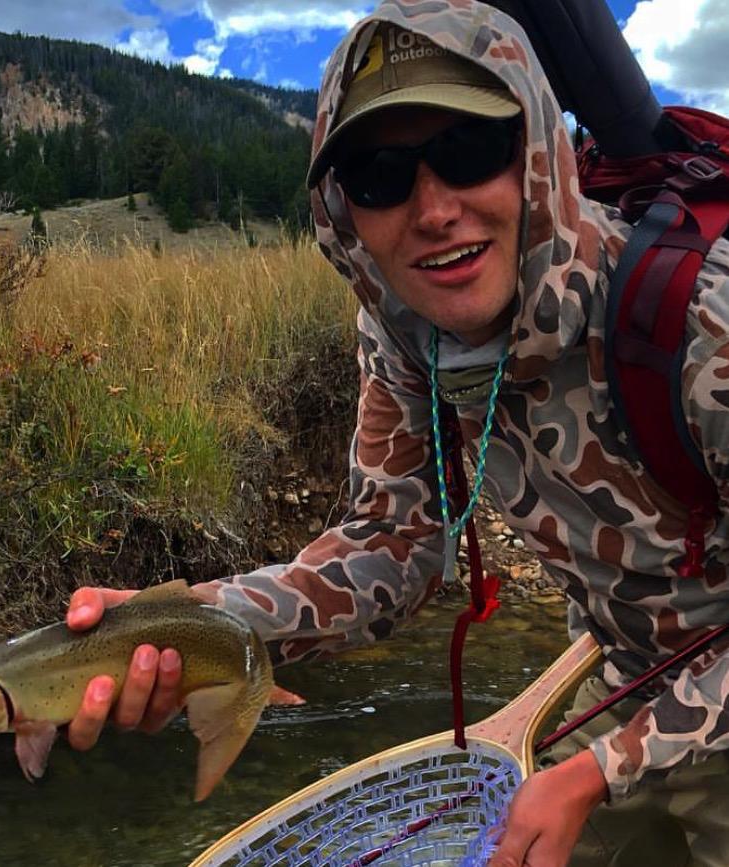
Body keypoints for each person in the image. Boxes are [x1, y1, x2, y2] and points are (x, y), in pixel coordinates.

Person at [64, 1, 729, 865]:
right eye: (380, 175)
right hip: (626, 677)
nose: (433, 209)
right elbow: (393, 543)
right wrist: (190, 623)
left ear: (534, 156)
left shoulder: (702, 325)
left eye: (469, 150)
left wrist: (603, 768)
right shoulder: (406, 330)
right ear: (344, 207)